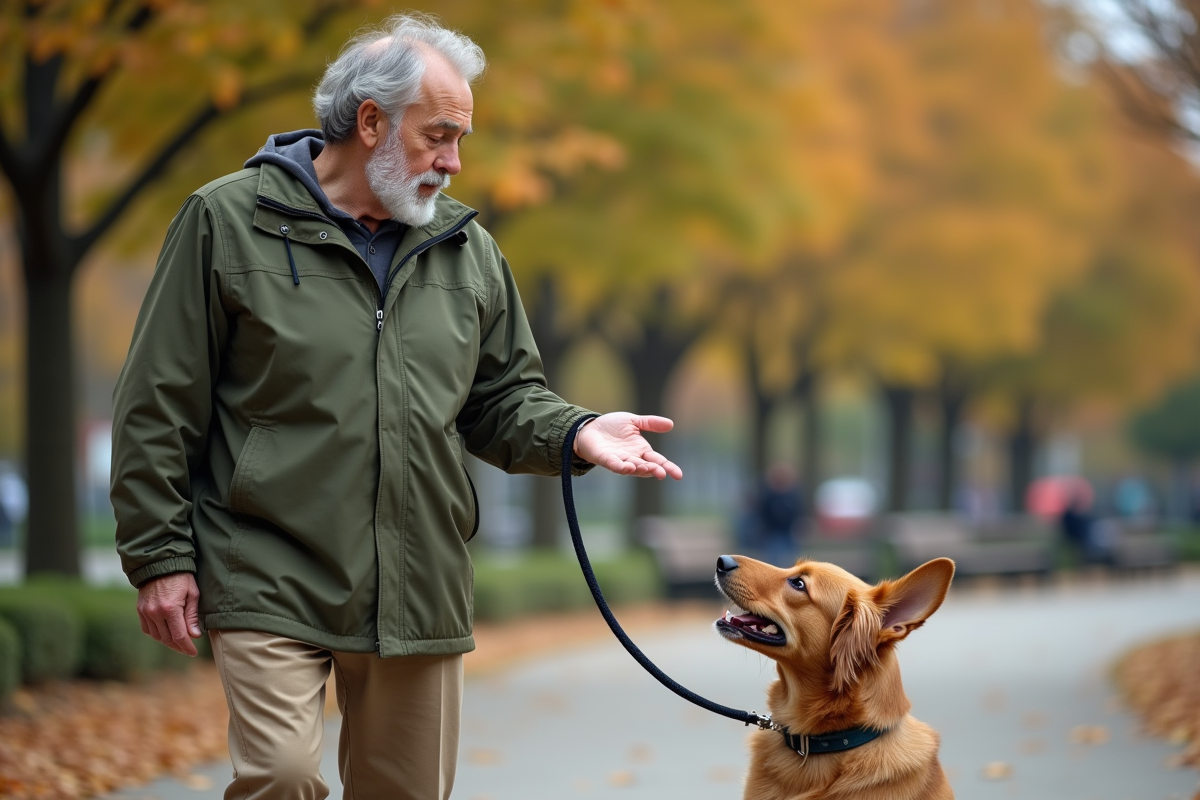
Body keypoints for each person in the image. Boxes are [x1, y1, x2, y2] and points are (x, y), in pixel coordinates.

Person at [110, 15, 681, 800]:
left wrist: (577, 431)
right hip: (269, 564)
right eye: (438, 136)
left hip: (418, 580)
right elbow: (157, 403)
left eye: (461, 140)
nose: (452, 162)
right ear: (370, 121)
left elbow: (503, 398)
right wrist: (161, 558)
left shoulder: (467, 248)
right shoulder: (226, 221)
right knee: (277, 776)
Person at [755, 462, 803, 567]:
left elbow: (797, 512)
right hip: (773, 533)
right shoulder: (769, 495)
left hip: (788, 532)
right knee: (772, 560)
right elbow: (763, 513)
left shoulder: (792, 495)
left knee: (792, 560)